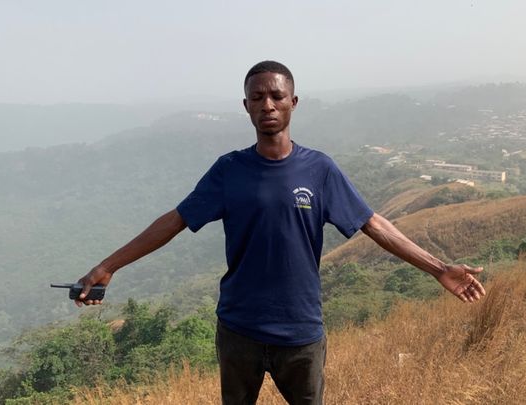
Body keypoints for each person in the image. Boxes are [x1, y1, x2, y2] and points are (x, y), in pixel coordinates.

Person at [74, 60, 486, 405]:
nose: (267, 104)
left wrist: (438, 269)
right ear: (246, 106)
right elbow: (175, 220)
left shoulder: (319, 169)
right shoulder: (229, 170)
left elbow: (373, 224)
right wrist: (108, 266)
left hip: (300, 333)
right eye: (257, 97)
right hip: (239, 330)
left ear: (293, 102)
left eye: (276, 96)